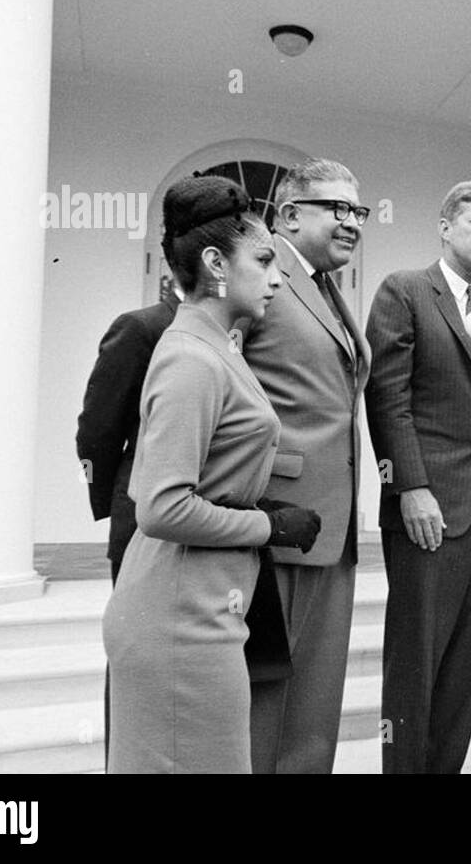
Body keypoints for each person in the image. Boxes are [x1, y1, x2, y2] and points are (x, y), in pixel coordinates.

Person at [102, 175, 322, 773]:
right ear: (215, 263)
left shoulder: (218, 347)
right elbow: (162, 508)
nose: (278, 278)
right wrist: (266, 527)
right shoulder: (191, 360)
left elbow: (217, 467)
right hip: (177, 621)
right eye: (265, 259)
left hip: (207, 607)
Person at [365, 179, 471, 774]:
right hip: (429, 508)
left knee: (466, 663)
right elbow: (389, 400)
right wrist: (410, 487)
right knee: (416, 659)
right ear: (445, 227)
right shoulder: (405, 292)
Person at [242, 157, 371, 774]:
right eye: (337, 209)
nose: (352, 223)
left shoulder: (325, 287)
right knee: (265, 696)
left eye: (359, 212)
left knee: (316, 699)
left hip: (333, 525)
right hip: (277, 517)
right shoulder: (259, 278)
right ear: (289, 216)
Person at [76, 284, 178, 757]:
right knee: (136, 657)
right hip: (143, 516)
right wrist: (117, 502)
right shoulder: (142, 328)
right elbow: (97, 429)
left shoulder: (242, 330)